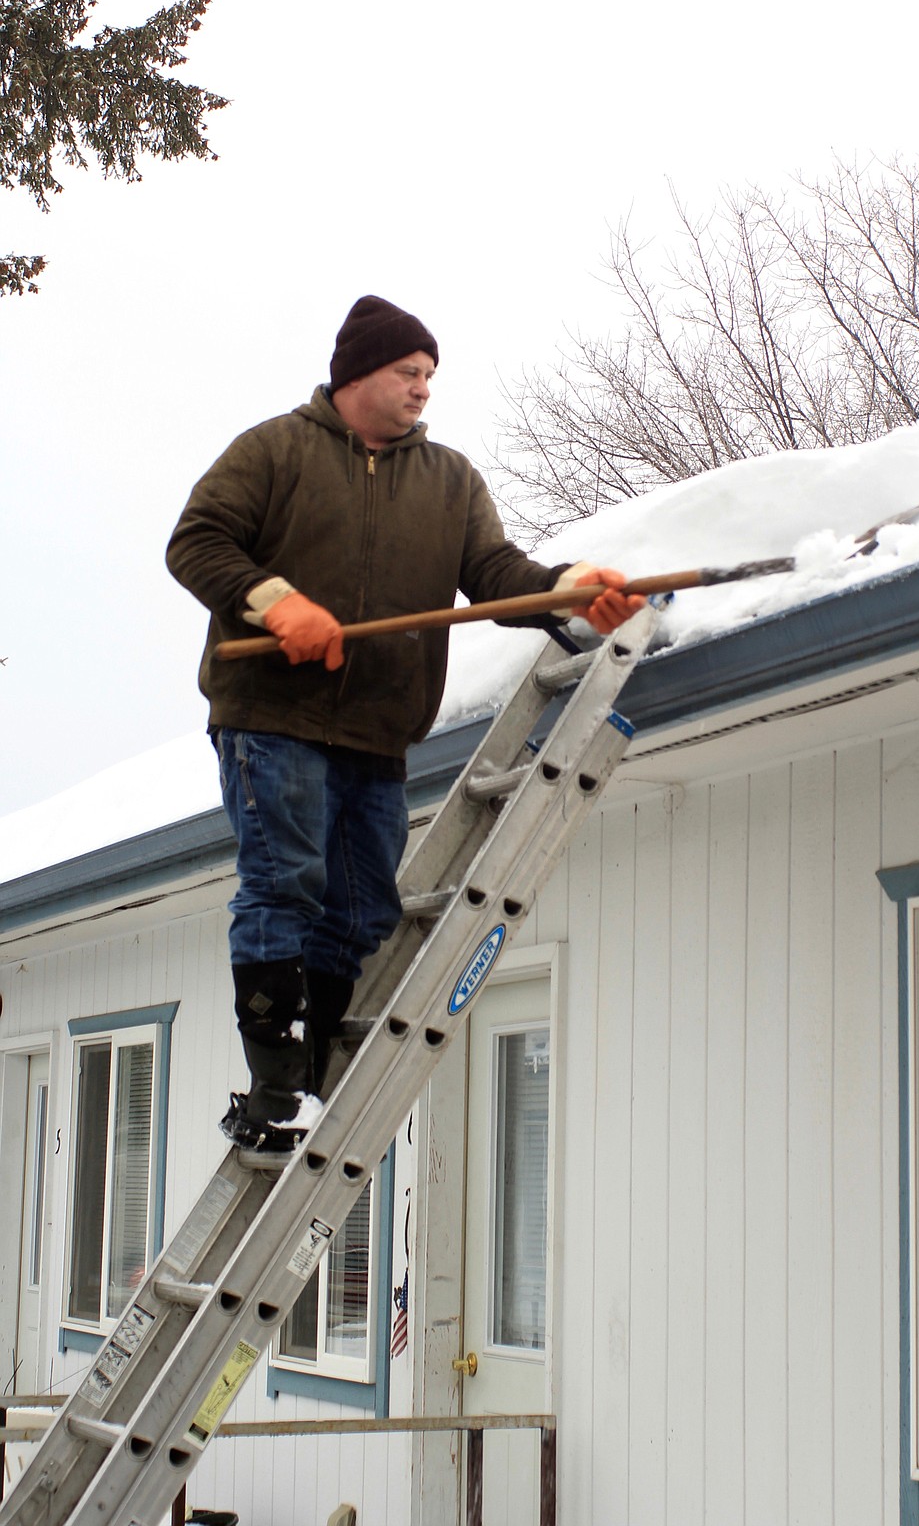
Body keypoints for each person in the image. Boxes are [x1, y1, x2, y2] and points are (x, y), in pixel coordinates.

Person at [167, 294, 645, 1149]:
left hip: (378, 731)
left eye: (430, 375)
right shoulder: (274, 451)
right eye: (408, 372)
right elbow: (198, 541)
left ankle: (309, 1074)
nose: (424, 388)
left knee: (358, 915)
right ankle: (275, 1090)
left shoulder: (450, 479)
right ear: (358, 375)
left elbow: (494, 571)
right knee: (286, 887)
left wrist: (568, 585)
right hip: (273, 717)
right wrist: (278, 606)